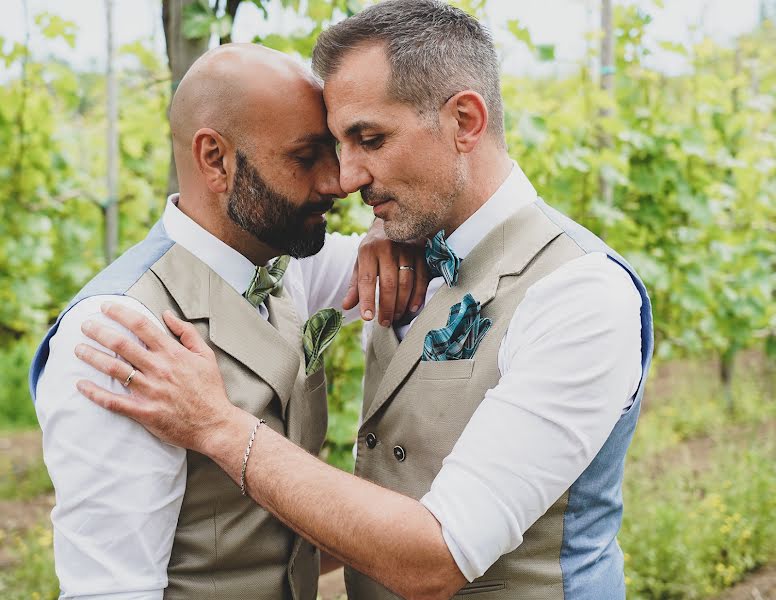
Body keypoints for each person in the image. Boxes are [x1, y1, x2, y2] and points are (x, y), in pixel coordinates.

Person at [75, 1, 654, 598]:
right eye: (329, 147)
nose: (345, 178)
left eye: (369, 139)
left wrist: (220, 427)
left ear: (465, 122)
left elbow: (439, 555)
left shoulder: (579, 294)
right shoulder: (401, 253)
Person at [29, 43, 428, 599]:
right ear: (215, 159)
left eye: (331, 153)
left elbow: (399, 252)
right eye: (304, 156)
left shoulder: (289, 269)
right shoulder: (120, 331)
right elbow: (113, 588)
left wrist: (387, 232)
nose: (337, 182)